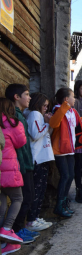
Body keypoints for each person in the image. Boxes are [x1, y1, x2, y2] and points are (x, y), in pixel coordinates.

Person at [50, 88, 82, 217]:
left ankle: (64, 203)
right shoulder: (57, 110)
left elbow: (80, 122)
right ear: (66, 100)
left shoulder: (73, 112)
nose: (75, 99)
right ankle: (59, 206)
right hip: (60, 149)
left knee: (70, 176)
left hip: (71, 149)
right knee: (65, 176)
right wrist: (64, 107)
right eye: (72, 96)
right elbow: (54, 123)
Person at [5, 84, 38, 243]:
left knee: (26, 197)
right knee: (25, 198)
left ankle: (18, 229)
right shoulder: (15, 117)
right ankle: (16, 232)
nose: (29, 97)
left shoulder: (19, 114)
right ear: (16, 97)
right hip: (21, 164)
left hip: (23, 163)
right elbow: (19, 144)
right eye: (26, 94)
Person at [24, 93, 54, 231]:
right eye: (44, 105)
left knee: (41, 190)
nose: (46, 109)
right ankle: (30, 221)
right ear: (37, 103)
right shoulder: (34, 114)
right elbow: (35, 134)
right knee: (36, 191)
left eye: (47, 106)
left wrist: (49, 124)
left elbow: (45, 133)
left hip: (43, 157)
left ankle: (35, 217)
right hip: (37, 158)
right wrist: (47, 123)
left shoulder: (39, 116)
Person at [0, 98, 26, 253]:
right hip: (9, 168)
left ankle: (2, 245)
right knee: (18, 198)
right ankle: (7, 228)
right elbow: (21, 142)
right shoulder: (12, 123)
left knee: (2, 204)